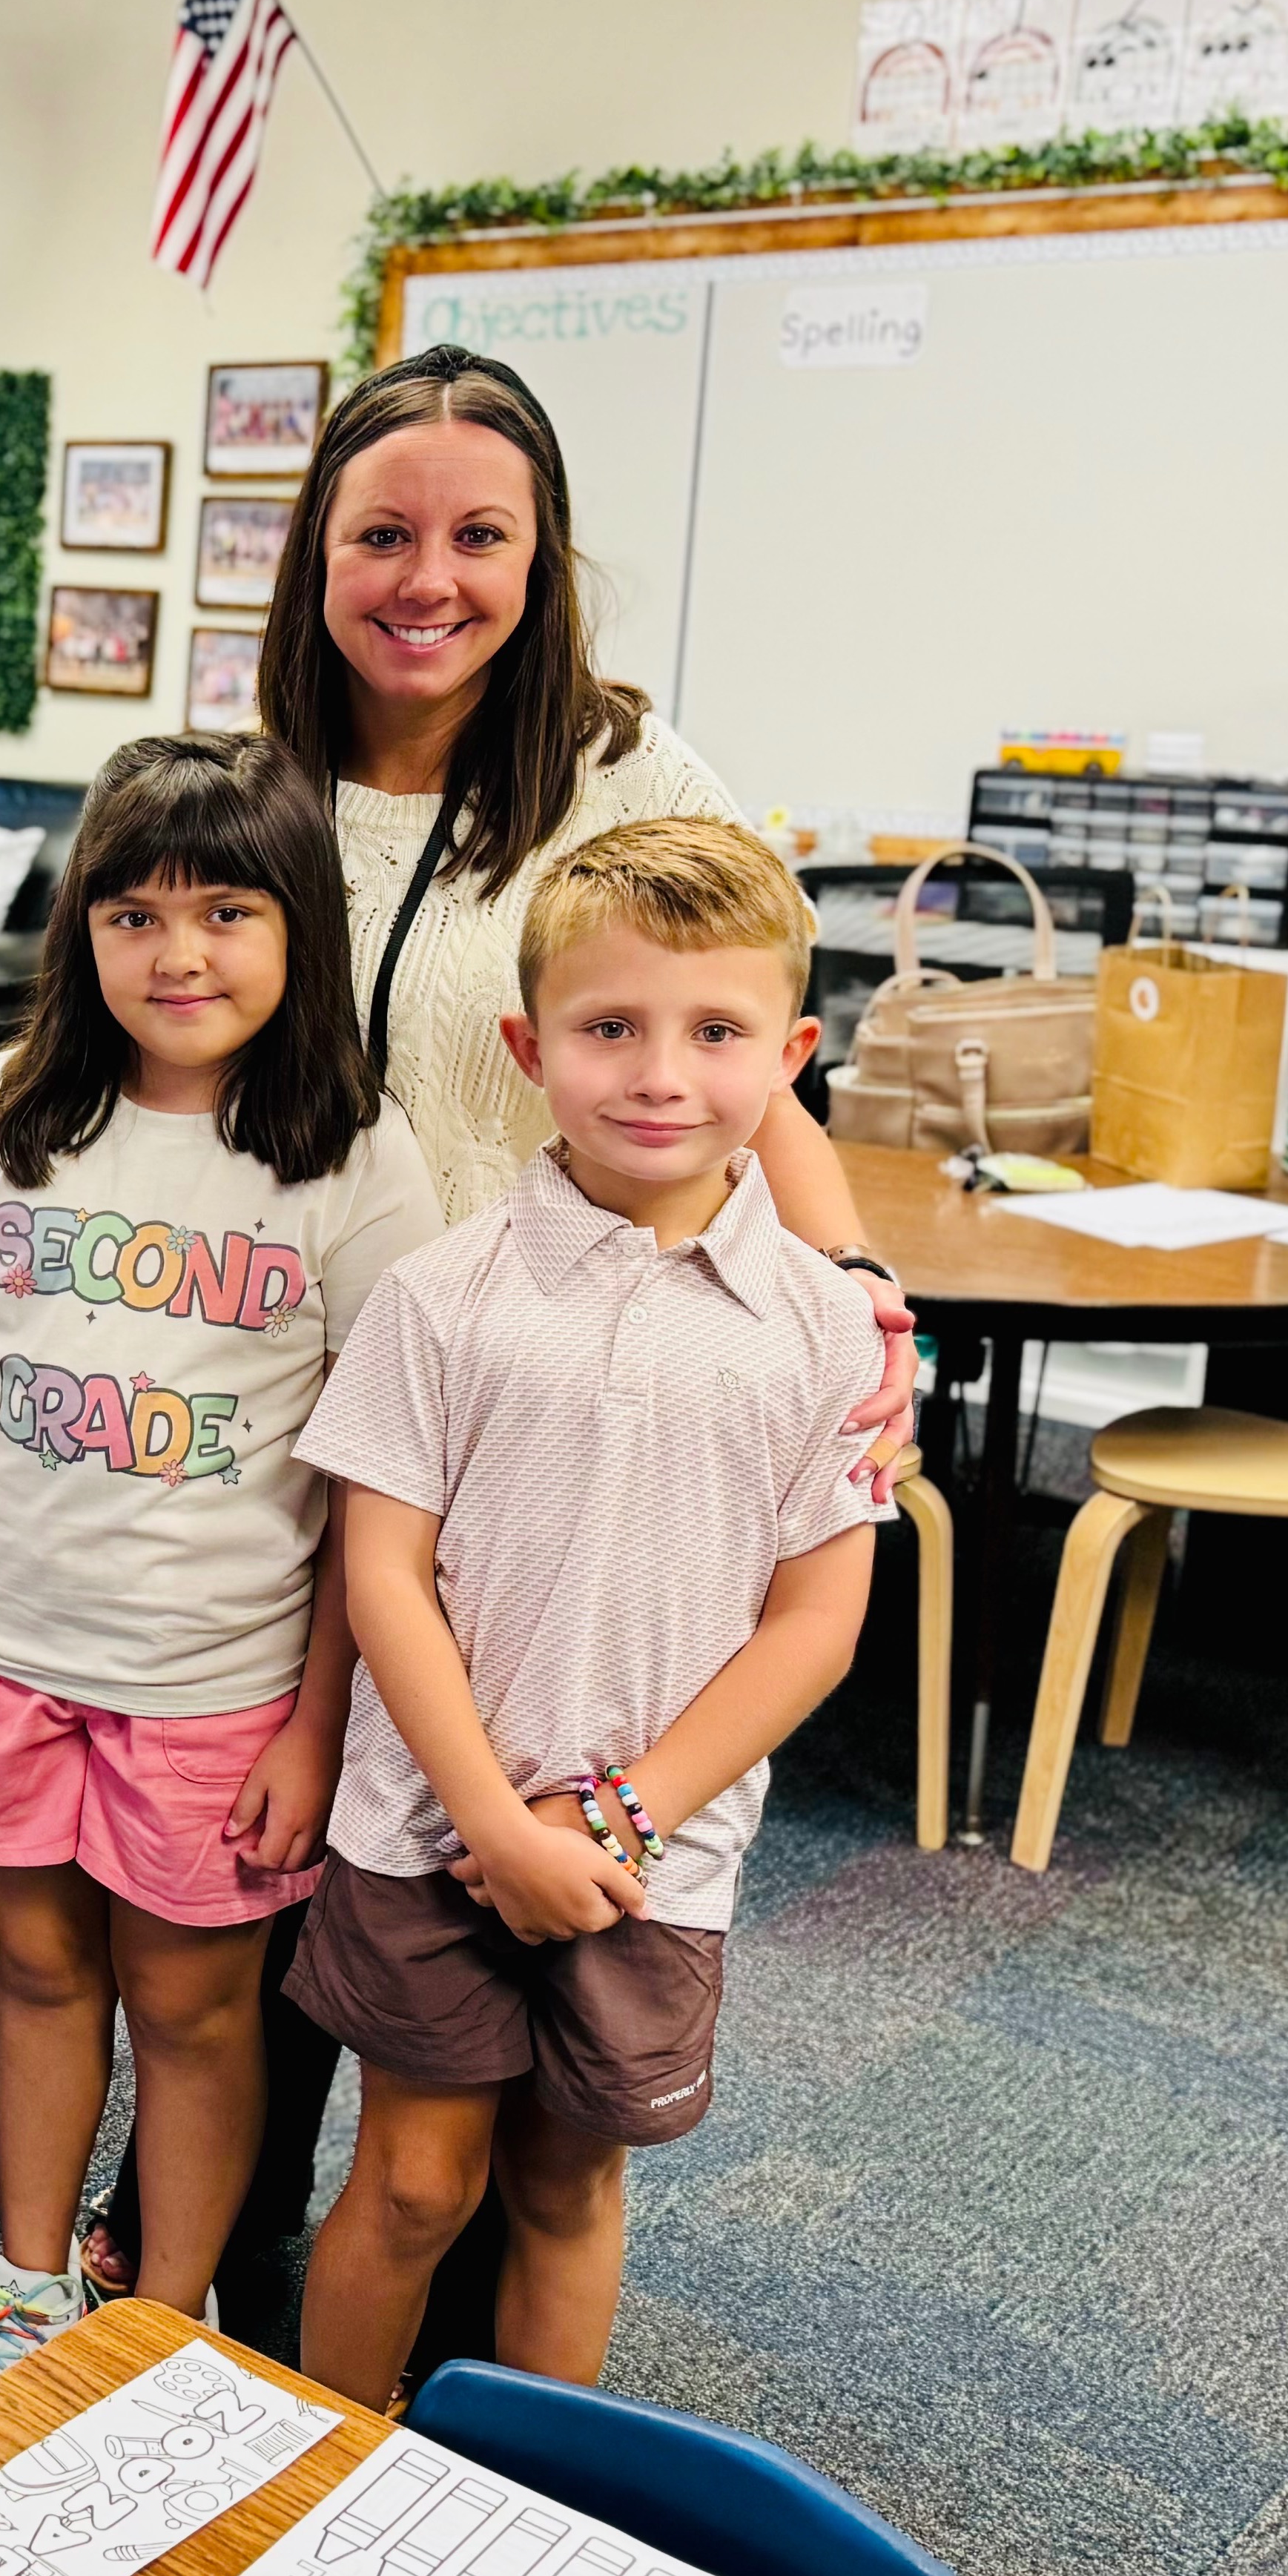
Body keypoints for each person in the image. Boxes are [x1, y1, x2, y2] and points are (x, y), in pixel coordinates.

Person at [0, 345, 915, 2334]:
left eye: (478, 535)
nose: (427, 578)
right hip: (270, 1436)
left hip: (556, 1417)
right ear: (311, 555)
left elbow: (750, 1063)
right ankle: (205, 2289)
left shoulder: (625, 775)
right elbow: (114, 1045)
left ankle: (437, 2352)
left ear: (540, 554)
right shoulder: (251, 782)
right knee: (269, 1923)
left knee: (491, 1972)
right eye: (380, 534)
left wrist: (855, 1302)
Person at [0, 732, 444, 2425]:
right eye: (135, 915)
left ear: (297, 933)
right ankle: (29, 2288)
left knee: (193, 2012)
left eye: (226, 913)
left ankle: (164, 2324)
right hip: (1, 1655)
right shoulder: (6, 1104)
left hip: (219, 1683)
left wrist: (319, 1731)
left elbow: (374, 1480)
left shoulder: (355, 1156)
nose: (177, 955)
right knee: (38, 1973)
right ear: (82, 930)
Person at [286, 816, 884, 2411]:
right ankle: (313, 2494)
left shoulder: (830, 1332)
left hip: (657, 1860)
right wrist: (500, 1822)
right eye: (609, 1028)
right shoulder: (445, 1296)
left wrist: (611, 1824)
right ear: (527, 1047)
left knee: (566, 2190)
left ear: (793, 1053)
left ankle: (522, 2512)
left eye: (716, 1032)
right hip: (430, 1832)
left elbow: (816, 1625)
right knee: (413, 2187)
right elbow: (382, 1576)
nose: (660, 1074)